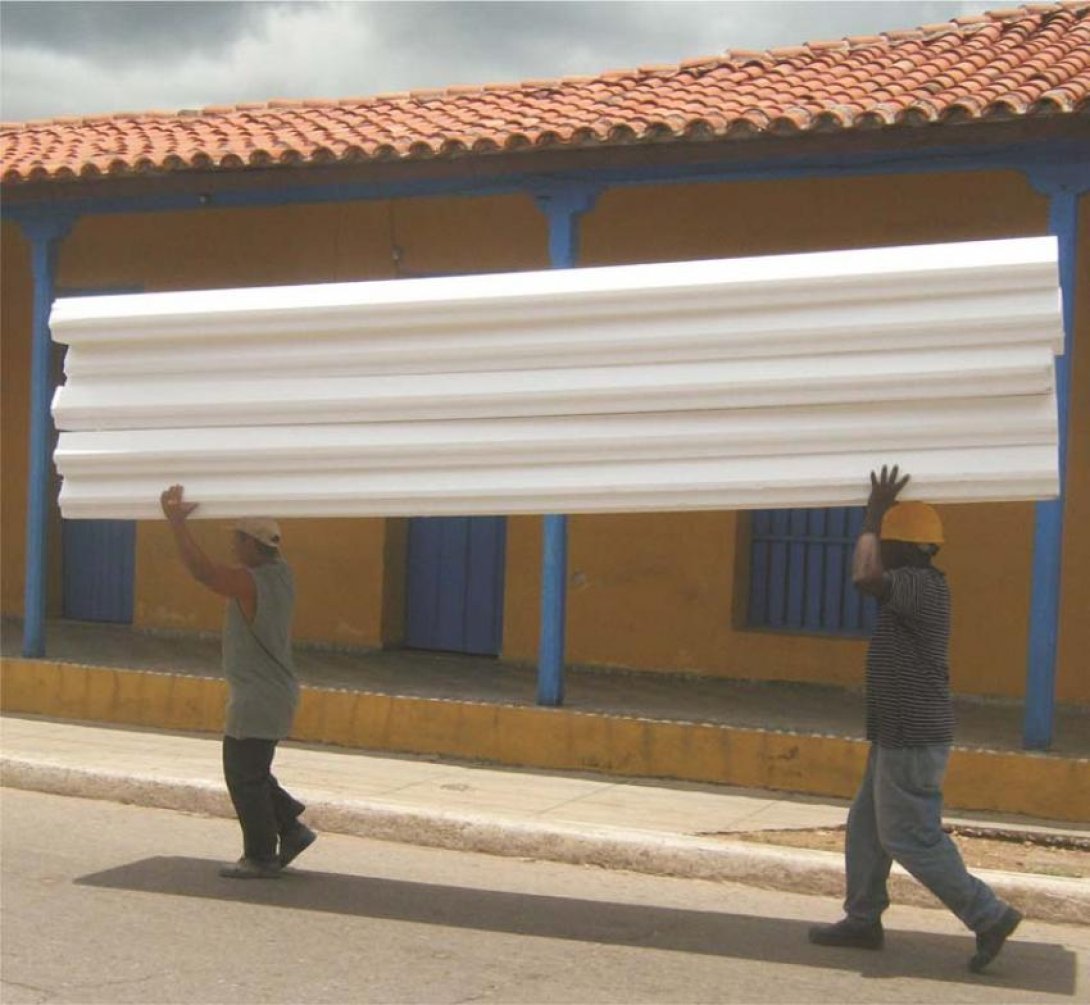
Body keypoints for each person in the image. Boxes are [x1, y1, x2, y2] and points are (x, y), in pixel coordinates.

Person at [809, 465, 1021, 973]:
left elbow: (863, 576)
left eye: (885, 541)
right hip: (896, 733)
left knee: (909, 836)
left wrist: (871, 516)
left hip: (912, 736)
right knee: (866, 826)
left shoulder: (918, 583)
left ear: (902, 547)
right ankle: (863, 919)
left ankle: (987, 914)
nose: (879, 547)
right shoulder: (917, 579)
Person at [160, 484, 316, 879]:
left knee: (242, 775)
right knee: (254, 772)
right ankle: (292, 829)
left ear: (250, 544)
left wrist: (177, 523)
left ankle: (261, 855)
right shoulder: (283, 574)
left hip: (257, 697)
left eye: (237, 539)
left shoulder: (254, 582)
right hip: (273, 692)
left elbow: (204, 573)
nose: (232, 546)